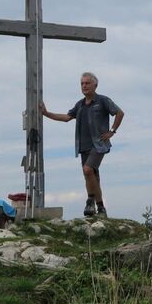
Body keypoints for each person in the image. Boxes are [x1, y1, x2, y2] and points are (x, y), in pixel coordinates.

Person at [41, 72, 124, 218]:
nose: (84, 86)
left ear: (95, 85)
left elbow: (119, 113)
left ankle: (90, 200)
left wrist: (112, 131)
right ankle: (101, 208)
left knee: (87, 170)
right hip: (83, 146)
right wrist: (47, 114)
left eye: (87, 83)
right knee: (91, 176)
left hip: (99, 144)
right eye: (82, 84)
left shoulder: (103, 101)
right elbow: (67, 117)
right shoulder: (79, 105)